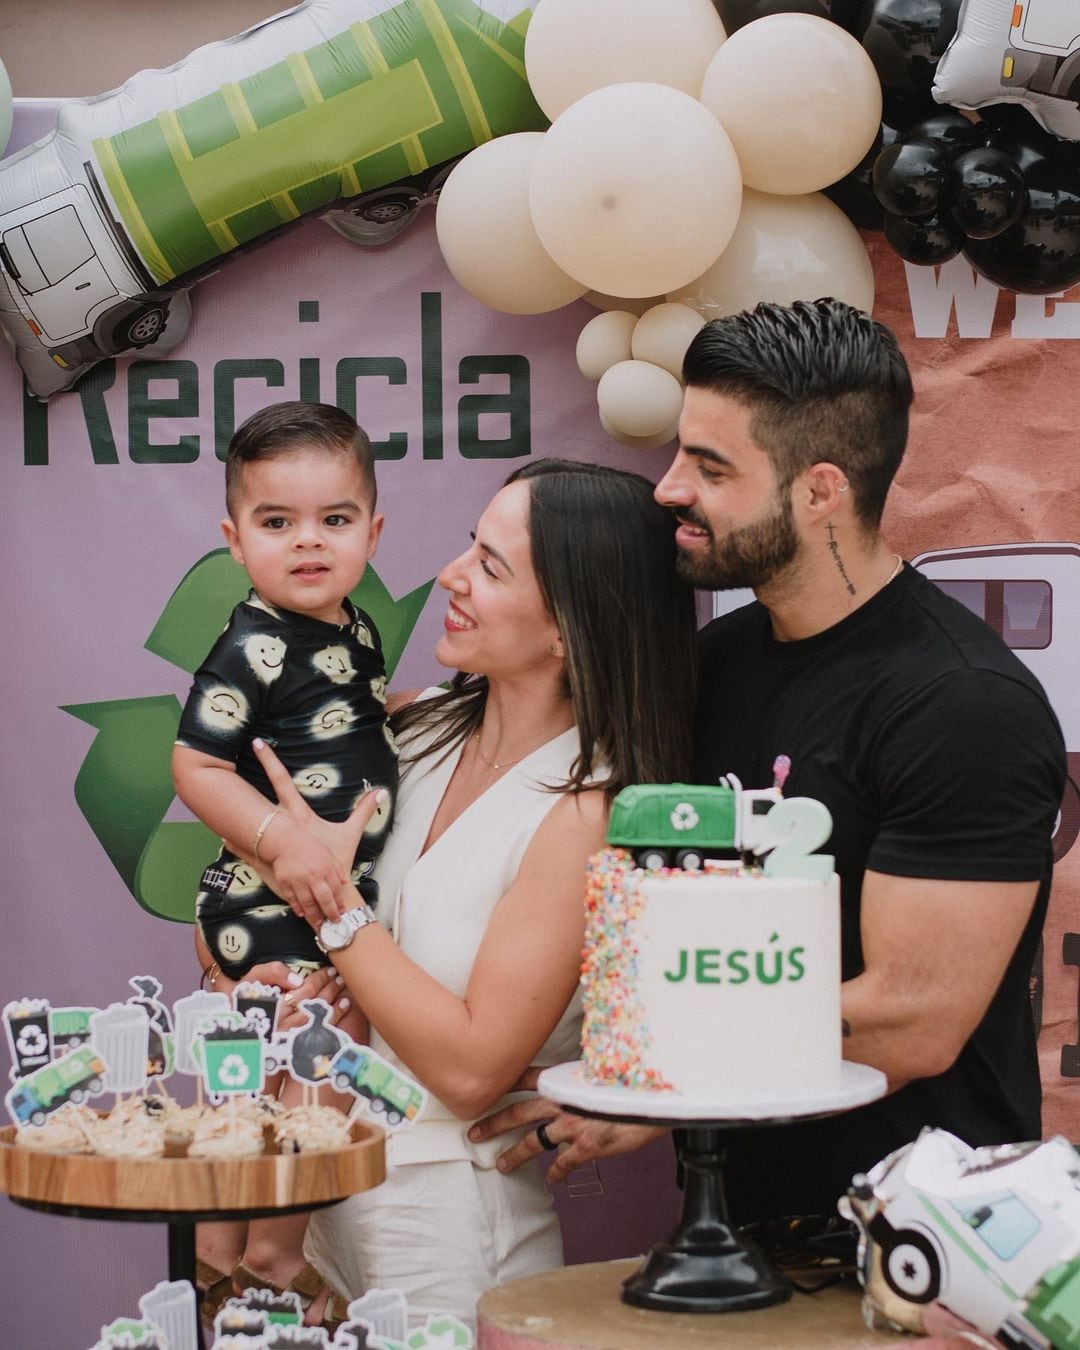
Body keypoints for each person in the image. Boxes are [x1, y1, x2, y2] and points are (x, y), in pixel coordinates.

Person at [470, 299, 1066, 1235]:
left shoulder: (962, 707)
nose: (668, 489)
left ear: (820, 490)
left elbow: (914, 1018)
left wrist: (648, 1076)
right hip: (741, 1227)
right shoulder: (717, 662)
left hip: (917, 1250)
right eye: (680, 454)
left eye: (711, 468)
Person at [227, 457, 698, 1328]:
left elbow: (474, 1068)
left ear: (570, 629)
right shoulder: (418, 726)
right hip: (324, 1210)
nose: (453, 575)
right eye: (468, 548)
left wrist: (330, 902)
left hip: (444, 1227)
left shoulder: (587, 807)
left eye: (491, 566)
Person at [172, 400, 398, 1322]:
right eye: (277, 523)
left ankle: (220, 1256)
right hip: (272, 903)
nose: (309, 543)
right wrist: (281, 840)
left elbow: (357, 715)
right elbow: (194, 763)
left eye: (334, 521)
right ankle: (275, 1253)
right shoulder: (250, 644)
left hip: (282, 907)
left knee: (251, 1082)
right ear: (234, 538)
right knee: (316, 1053)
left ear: (373, 531)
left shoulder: (354, 628)